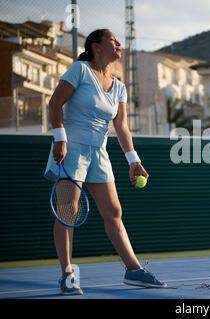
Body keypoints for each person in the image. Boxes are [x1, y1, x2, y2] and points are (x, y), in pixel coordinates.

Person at [44, 29, 167, 295]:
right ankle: (67, 275)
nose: (119, 44)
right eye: (113, 40)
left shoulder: (120, 86)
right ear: (96, 47)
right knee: (68, 209)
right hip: (71, 148)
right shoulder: (79, 70)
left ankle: (134, 270)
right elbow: (55, 103)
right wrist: (60, 138)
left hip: (99, 153)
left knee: (113, 211)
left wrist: (134, 161)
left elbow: (122, 127)